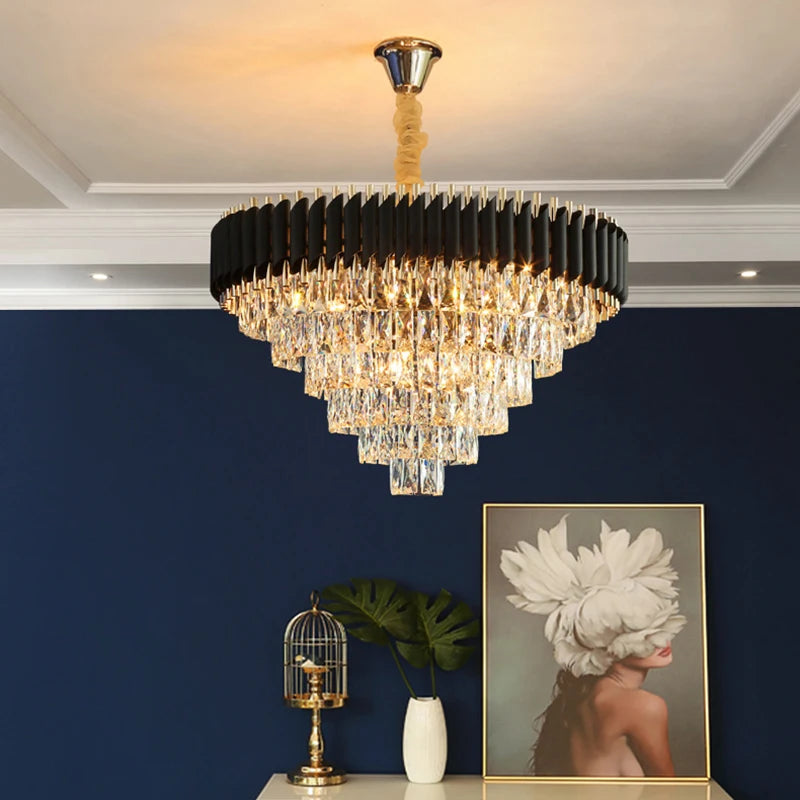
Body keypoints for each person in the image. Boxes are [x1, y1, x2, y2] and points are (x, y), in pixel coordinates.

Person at [500, 517, 686, 777]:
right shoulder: (643, 706)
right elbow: (672, 793)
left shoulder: (580, 699)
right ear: (602, 645)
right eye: (639, 632)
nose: (663, 640)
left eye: (662, 622)